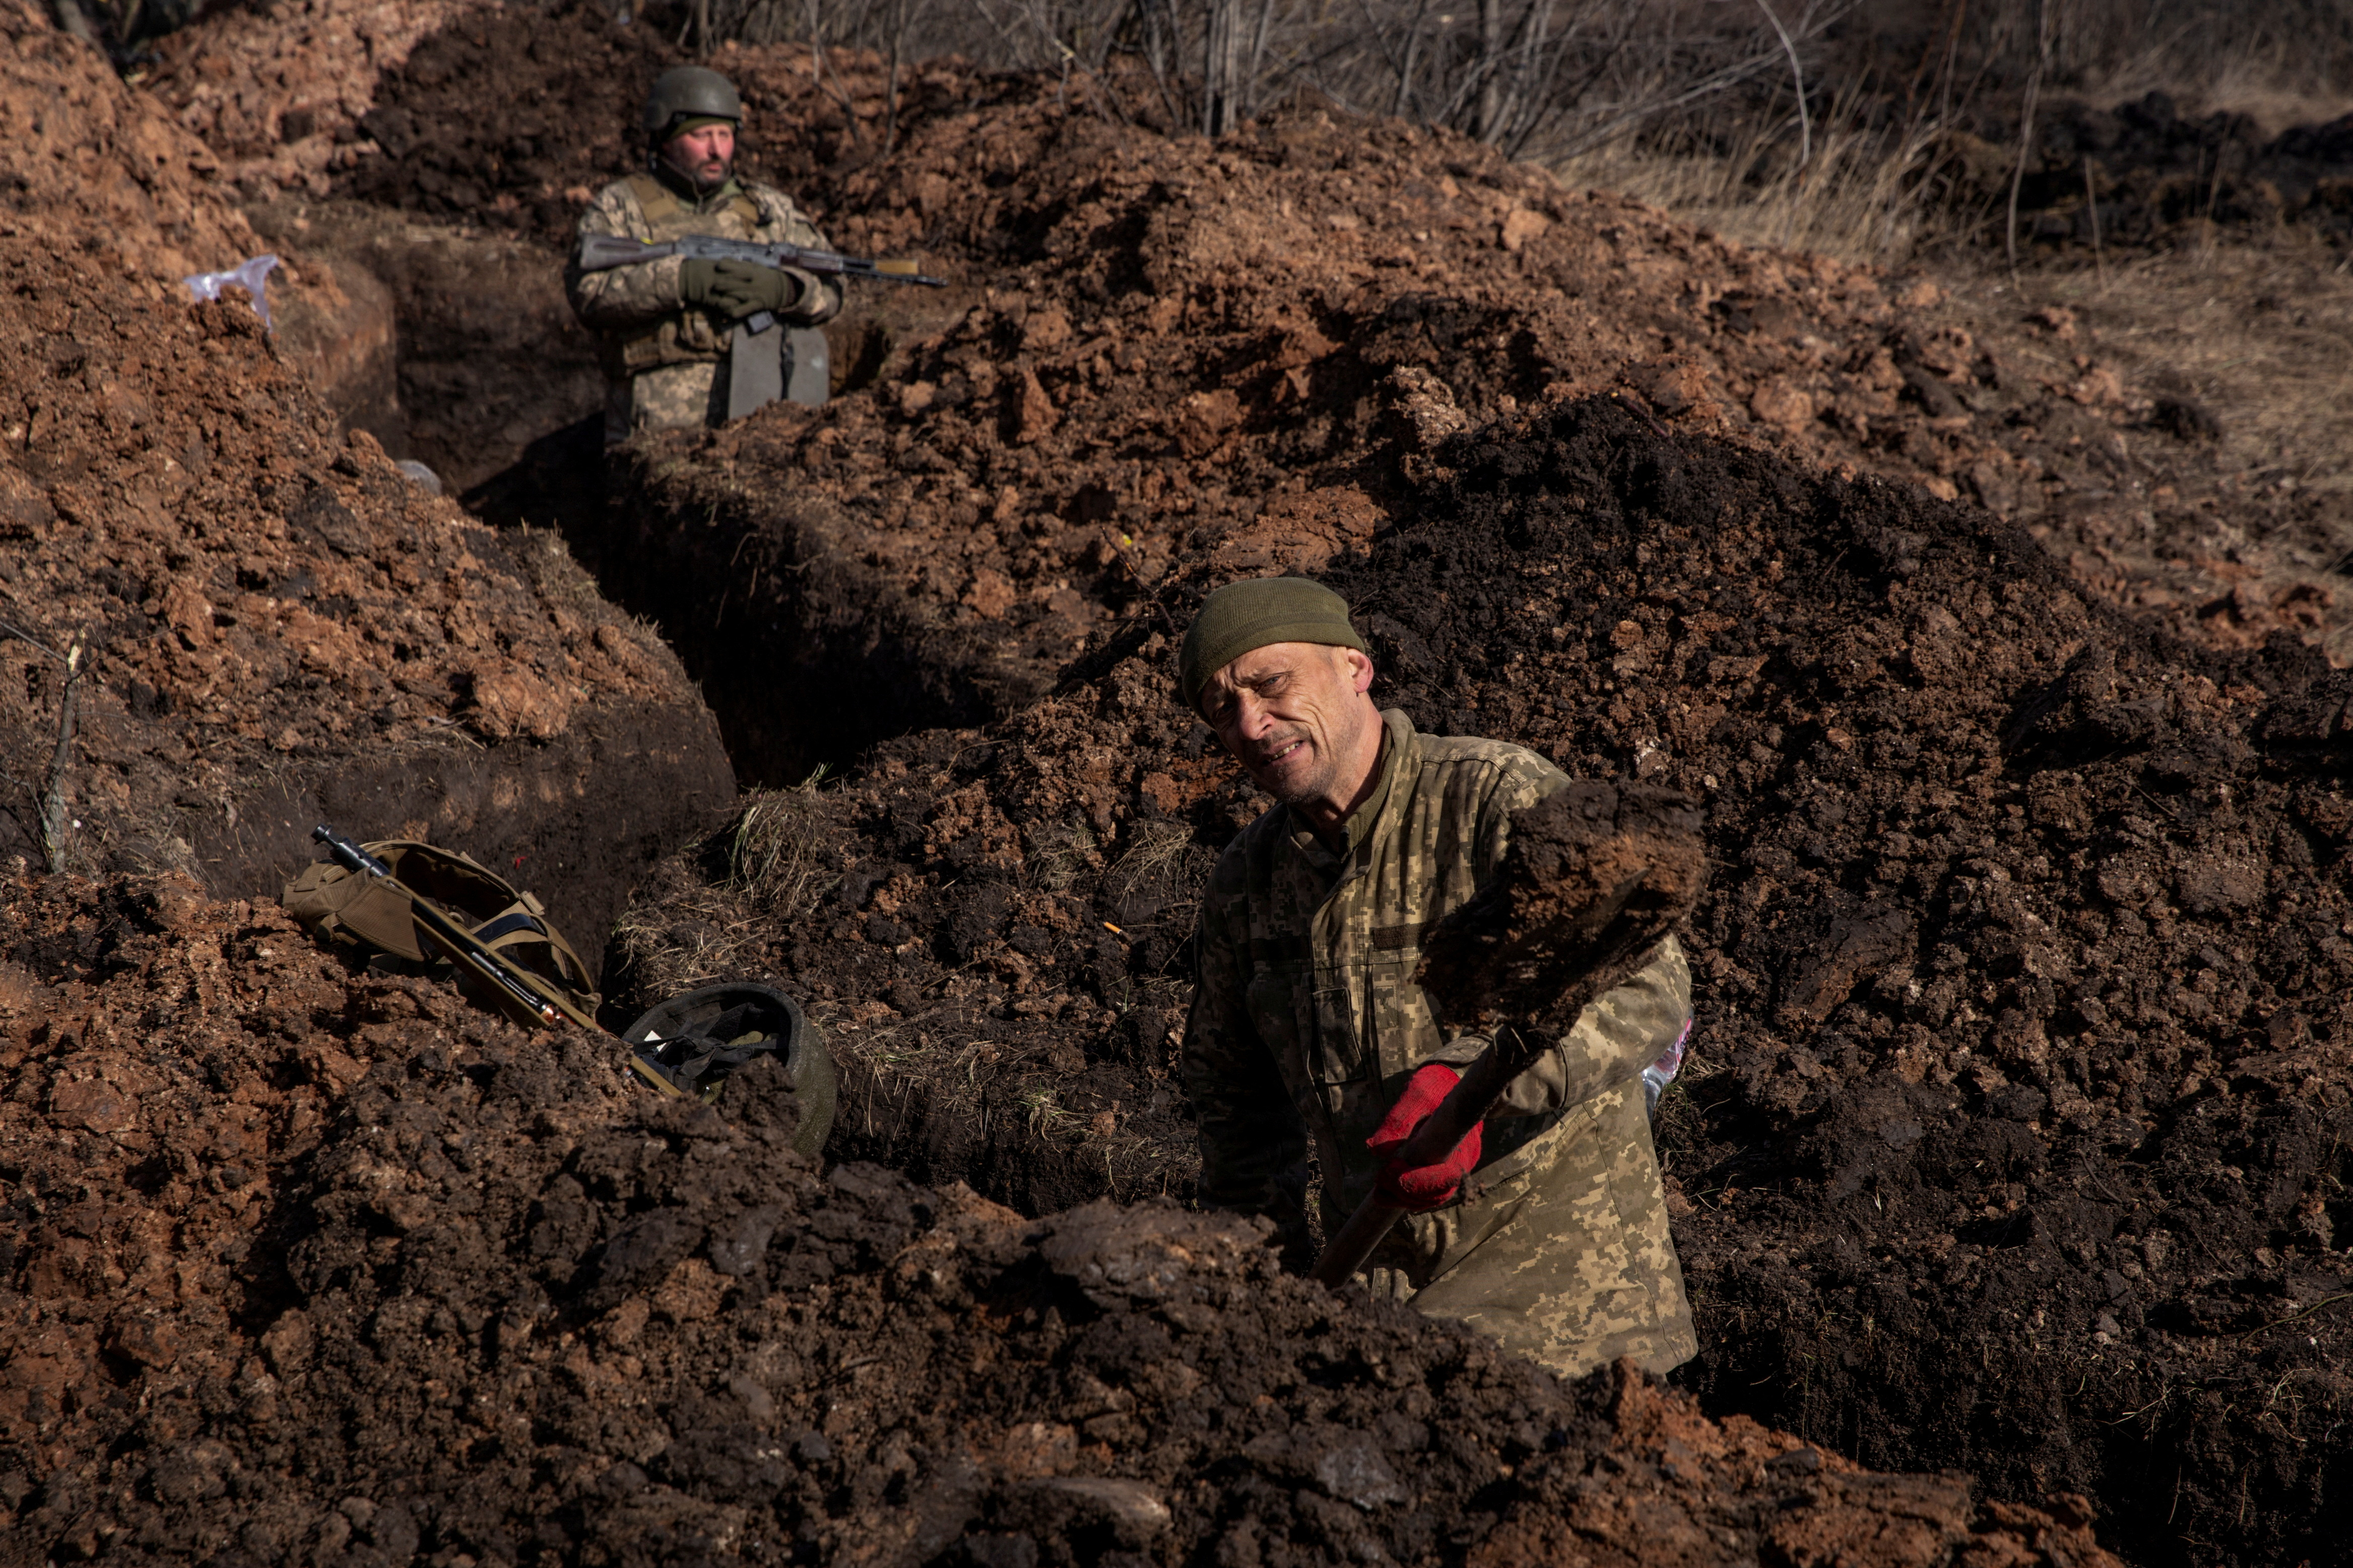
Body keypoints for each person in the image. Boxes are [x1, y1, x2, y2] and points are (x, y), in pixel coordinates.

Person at [1177, 576, 1697, 1379]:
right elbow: (1234, 1110)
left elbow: (1645, 987)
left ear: (1355, 667)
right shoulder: (1246, 883)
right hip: (1378, 1323)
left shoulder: (1494, 797)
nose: (1250, 724)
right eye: (1221, 709)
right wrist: (1261, 1304)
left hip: (1568, 1325)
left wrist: (1474, 1092)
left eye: (1270, 683)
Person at [565, 66, 843, 444]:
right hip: (654, 425)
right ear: (665, 139)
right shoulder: (622, 207)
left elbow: (834, 287)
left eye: (725, 136)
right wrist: (682, 279)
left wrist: (787, 289)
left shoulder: (769, 210)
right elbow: (588, 294)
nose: (716, 149)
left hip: (759, 422)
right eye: (701, 135)